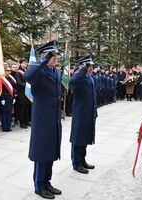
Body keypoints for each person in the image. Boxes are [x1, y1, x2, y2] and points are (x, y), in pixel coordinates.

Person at [24, 41, 62, 199]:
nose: (54, 58)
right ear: (44, 55)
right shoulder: (38, 71)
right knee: (41, 153)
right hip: (42, 119)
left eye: (55, 55)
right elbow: (28, 76)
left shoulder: (55, 72)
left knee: (51, 151)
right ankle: (39, 186)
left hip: (53, 118)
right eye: (51, 55)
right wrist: (43, 60)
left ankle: (47, 182)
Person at [69, 55, 97, 174]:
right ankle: (76, 163)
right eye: (89, 66)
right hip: (80, 113)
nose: (91, 68)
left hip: (89, 113)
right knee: (78, 138)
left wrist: (95, 111)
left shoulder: (89, 78)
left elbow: (93, 95)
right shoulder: (78, 77)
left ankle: (82, 160)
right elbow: (72, 82)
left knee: (85, 137)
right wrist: (83, 69)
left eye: (91, 66)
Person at [15, 58, 31, 128]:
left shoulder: (27, 71)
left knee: (27, 107)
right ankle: (22, 122)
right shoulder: (18, 72)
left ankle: (26, 121)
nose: (25, 64)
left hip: (28, 92)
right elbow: (19, 83)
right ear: (20, 63)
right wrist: (27, 85)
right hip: (22, 93)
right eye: (24, 63)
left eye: (26, 63)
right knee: (22, 108)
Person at [0, 66, 15, 132]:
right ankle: (4, 127)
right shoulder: (2, 79)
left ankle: (8, 126)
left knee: (9, 112)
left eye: (9, 70)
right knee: (4, 113)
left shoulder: (10, 78)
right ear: (4, 71)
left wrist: (13, 97)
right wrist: (2, 98)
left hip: (10, 97)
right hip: (4, 98)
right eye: (7, 70)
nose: (9, 72)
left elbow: (12, 89)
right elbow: (0, 89)